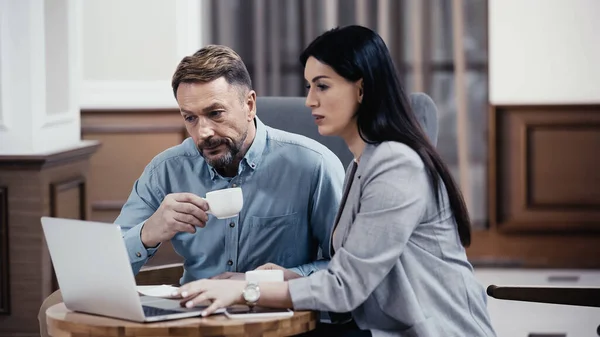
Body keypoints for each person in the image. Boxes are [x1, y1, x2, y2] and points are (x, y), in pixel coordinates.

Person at [174, 26, 497, 337]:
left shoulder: (396, 165)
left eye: (323, 86)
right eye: (308, 87)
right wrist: (283, 277)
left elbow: (345, 288)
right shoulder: (363, 163)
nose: (310, 101)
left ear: (361, 88)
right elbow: (353, 270)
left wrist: (245, 290)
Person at [37, 45, 345, 337]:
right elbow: (102, 274)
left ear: (249, 104)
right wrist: (148, 231)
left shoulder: (312, 166)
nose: (204, 133)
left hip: (277, 326)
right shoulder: (166, 170)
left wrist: (269, 282)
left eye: (216, 113)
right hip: (190, 325)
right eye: (190, 118)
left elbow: (346, 272)